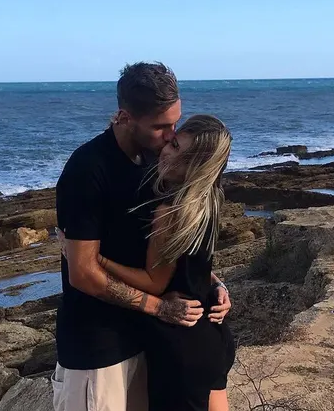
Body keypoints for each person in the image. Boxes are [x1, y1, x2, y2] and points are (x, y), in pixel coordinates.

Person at [53, 62, 231, 411]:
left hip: (150, 342)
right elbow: (83, 273)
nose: (169, 136)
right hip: (99, 349)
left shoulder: (155, 164)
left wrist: (213, 283)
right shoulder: (88, 168)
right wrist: (160, 307)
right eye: (160, 127)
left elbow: (170, 250)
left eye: (175, 124)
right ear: (124, 117)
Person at [97, 114, 236, 411]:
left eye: (175, 147)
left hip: (181, 341)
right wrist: (219, 284)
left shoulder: (169, 212)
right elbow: (195, 265)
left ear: (194, 166)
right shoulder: (209, 200)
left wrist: (98, 259)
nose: (165, 150)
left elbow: (154, 283)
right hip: (213, 334)